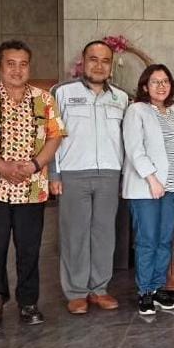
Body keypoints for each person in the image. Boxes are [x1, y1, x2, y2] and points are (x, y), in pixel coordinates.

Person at [0, 40, 65, 330]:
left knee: (29, 249)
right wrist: (0, 165)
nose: (17, 70)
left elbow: (55, 136)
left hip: (32, 187)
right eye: (10, 64)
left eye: (23, 64)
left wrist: (35, 165)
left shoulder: (44, 98)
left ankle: (28, 302)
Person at [49, 40, 128, 314]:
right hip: (73, 173)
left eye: (105, 60)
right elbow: (51, 135)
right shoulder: (62, 92)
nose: (99, 65)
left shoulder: (121, 98)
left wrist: (124, 178)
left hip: (109, 174)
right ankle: (76, 291)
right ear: (83, 62)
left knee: (104, 234)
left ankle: (99, 289)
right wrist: (54, 173)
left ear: (111, 66)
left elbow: (126, 141)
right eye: (93, 59)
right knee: (75, 234)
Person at [123, 64, 174, 315]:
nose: (161, 86)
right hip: (147, 187)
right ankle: (144, 292)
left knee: (165, 239)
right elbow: (134, 148)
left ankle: (158, 288)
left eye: (165, 81)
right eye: (155, 81)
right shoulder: (136, 110)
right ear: (145, 86)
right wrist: (151, 178)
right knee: (147, 240)